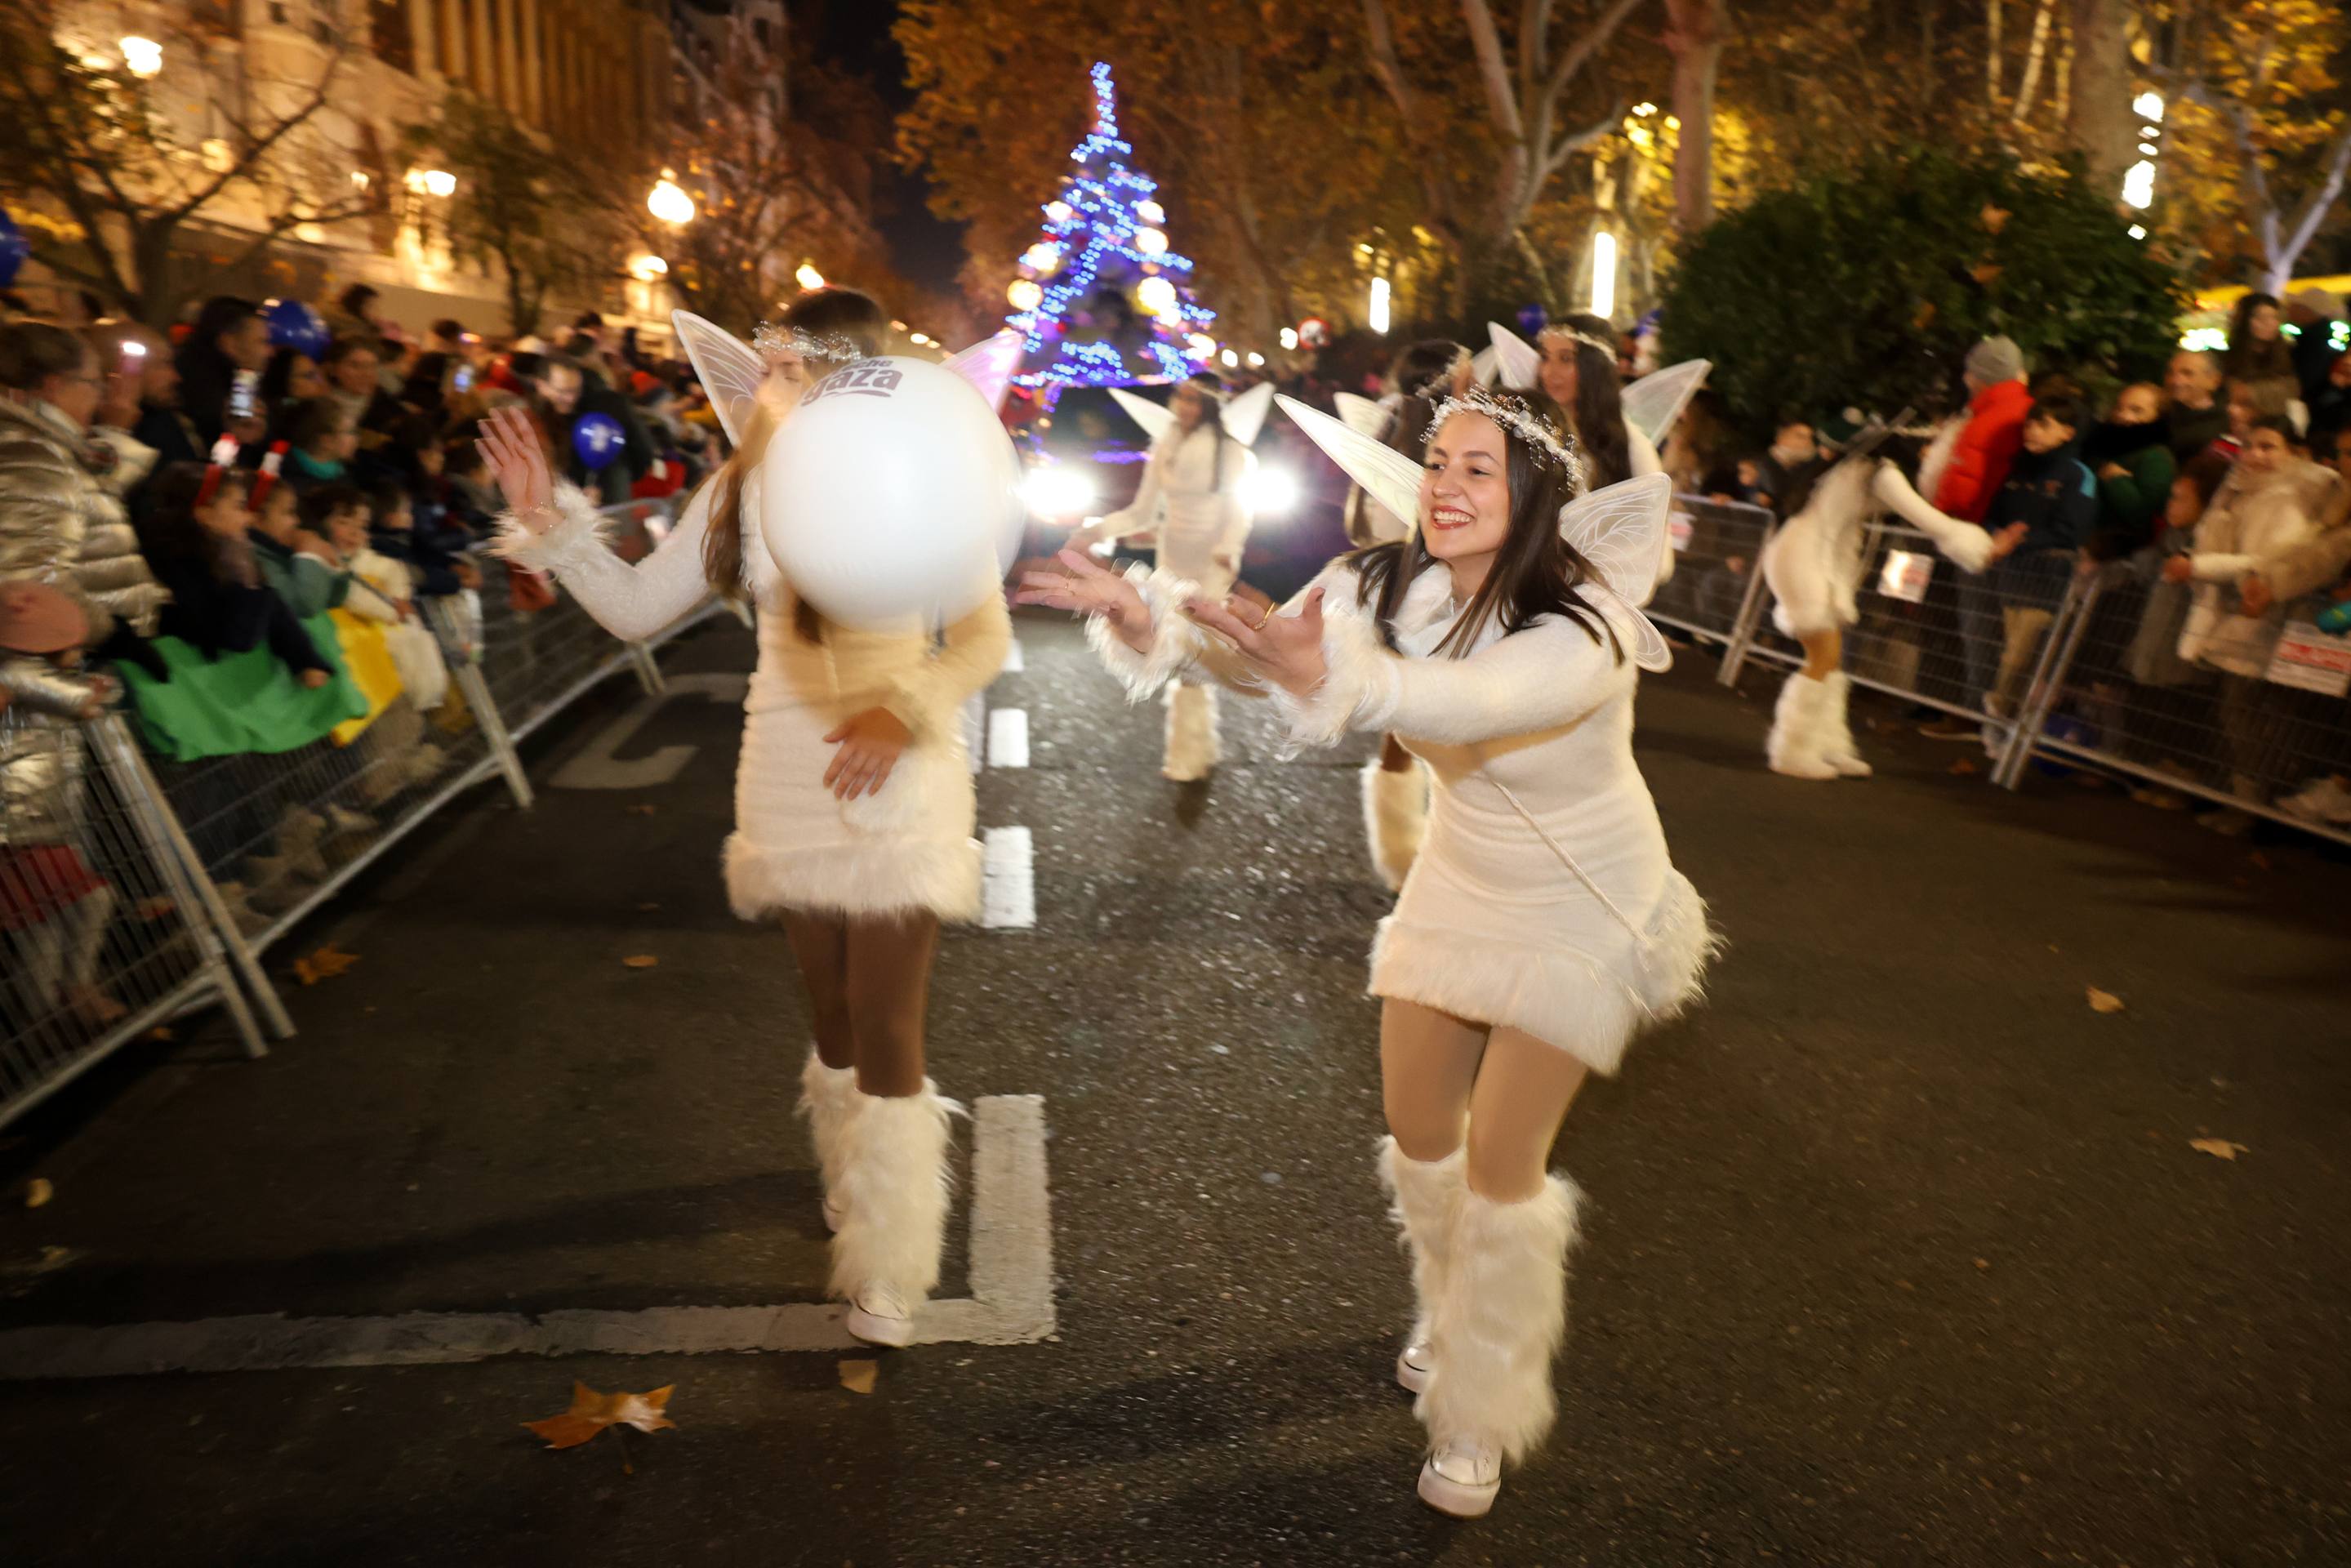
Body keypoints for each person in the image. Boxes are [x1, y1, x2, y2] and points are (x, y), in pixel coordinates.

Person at [1020, 385, 1716, 1519]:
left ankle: (1478, 1406)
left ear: (1532, 489)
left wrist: (1354, 678)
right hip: (1459, 878)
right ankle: (1445, 1314)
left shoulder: (1579, 622)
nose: (1442, 484)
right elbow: (1267, 658)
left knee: (1501, 1162)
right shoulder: (1382, 581)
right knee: (1418, 1133)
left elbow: (1476, 697)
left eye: (1476, 469)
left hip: (1582, 903)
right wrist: (1150, 618)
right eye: (1434, 462)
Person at [477, 287, 1010, 1350]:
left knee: (888, 1015)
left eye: (782, 366)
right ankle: (847, 1169)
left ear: (845, 377)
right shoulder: (738, 488)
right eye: (762, 364)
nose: (755, 384)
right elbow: (633, 608)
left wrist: (902, 713)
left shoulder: (919, 477)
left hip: (900, 762)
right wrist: (548, 522)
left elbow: (982, 637)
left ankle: (889, 1259)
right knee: (832, 1016)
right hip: (781, 764)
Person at [1758, 426, 1994, 777]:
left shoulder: (1855, 467)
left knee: (1832, 661)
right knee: (1823, 657)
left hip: (1808, 556)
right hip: (1803, 559)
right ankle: (1793, 750)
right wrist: (1983, 547)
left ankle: (1828, 744)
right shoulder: (1882, 472)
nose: (1931, 454)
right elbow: (1930, 521)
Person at [1070, 372, 1258, 782]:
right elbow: (1141, 510)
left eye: (1194, 400)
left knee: (1196, 651)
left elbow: (1238, 511)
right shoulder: (1165, 447)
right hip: (1171, 559)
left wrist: (1228, 552)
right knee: (1178, 653)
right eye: (1181, 397)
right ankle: (1193, 750)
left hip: (1211, 562)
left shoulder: (1230, 452)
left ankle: (1193, 753)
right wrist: (1096, 531)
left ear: (1209, 408)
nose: (1184, 406)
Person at [2162, 415, 2338, 832]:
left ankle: (2258, 810)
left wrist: (2200, 566)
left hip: (2263, 621)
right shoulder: (2238, 486)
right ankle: (2246, 803)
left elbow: (2273, 561)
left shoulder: (2295, 496)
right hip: (2230, 616)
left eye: (2269, 447)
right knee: (2235, 717)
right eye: (2252, 445)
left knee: (2253, 720)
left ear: (2293, 451)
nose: (2257, 455)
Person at [1917, 337, 2037, 740]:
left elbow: (1968, 482)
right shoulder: (2013, 409)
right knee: (1982, 627)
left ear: (1979, 375)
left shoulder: (1988, 416)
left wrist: (1947, 517)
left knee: (1979, 627)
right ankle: (1977, 714)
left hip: (1975, 531)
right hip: (1986, 530)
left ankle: (1980, 717)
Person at [140, 462, 334, 686]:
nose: (249, 518)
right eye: (239, 507)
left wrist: (306, 660)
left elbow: (272, 603)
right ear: (205, 514)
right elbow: (238, 637)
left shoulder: (218, 551)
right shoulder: (180, 562)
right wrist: (244, 573)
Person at [2084, 383, 2178, 564]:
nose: (2124, 416)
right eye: (2120, 408)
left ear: (2159, 416)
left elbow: (2141, 512)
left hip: (2118, 556)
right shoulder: (2101, 447)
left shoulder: (2156, 457)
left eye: (2137, 411)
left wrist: (2115, 478)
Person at [174, 296, 271, 449]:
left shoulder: (241, 385)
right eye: (262, 342)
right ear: (229, 344)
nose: (270, 353)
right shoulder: (204, 398)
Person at [2161, 350, 2229, 465]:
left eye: (2187, 373)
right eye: (2170, 373)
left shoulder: (2226, 425)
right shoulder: (2160, 411)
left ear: (2214, 381)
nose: (2175, 381)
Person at [2220, 292, 2297, 394]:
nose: (2269, 323)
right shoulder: (2228, 361)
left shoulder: (2290, 356)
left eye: (2274, 318)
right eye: (2261, 318)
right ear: (2245, 321)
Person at [2286, 287, 2344, 399]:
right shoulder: (2315, 339)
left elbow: (2306, 382)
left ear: (2307, 310)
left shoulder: (2312, 344)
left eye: (2297, 306)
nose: (2290, 308)